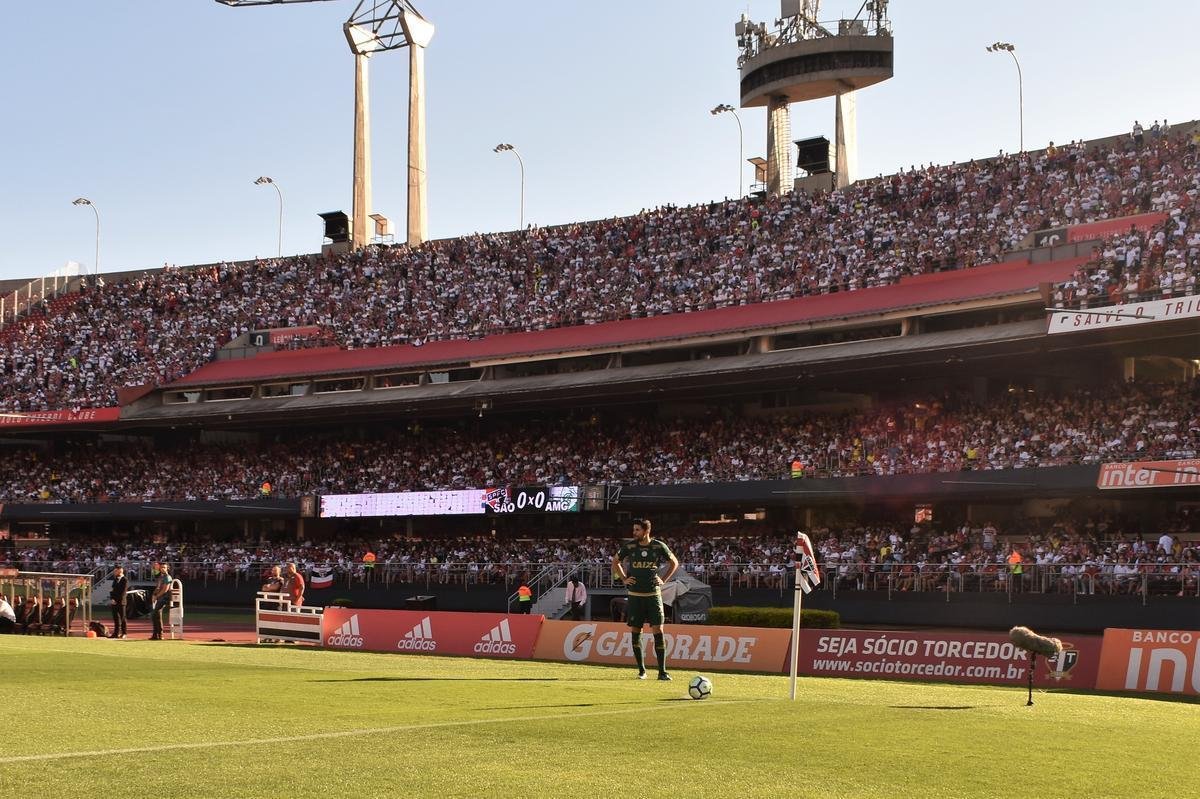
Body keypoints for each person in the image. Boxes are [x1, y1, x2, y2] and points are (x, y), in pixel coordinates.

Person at [611, 518, 679, 681]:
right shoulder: (630, 546)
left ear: (646, 531)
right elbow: (615, 561)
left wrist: (664, 579)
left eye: (637, 530)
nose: (634, 533)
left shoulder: (658, 546)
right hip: (635, 597)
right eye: (634, 530)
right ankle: (641, 671)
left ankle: (662, 672)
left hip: (653, 596)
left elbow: (674, 562)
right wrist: (624, 579)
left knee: (659, 631)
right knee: (636, 632)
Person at [150, 562, 173, 640]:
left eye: (164, 567)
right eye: (162, 567)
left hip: (164, 598)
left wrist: (156, 596)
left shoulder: (167, 577)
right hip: (159, 597)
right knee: (155, 615)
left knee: (156, 614)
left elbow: (165, 589)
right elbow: (158, 587)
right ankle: (156, 634)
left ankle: (159, 634)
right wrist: (154, 594)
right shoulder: (160, 577)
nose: (163, 569)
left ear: (167, 568)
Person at [109, 565, 128, 639]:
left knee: (123, 618)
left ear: (120, 571)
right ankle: (116, 633)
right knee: (116, 618)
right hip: (114, 602)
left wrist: (116, 600)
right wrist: (112, 599)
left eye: (116, 571)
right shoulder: (115, 579)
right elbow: (112, 590)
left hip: (121, 602)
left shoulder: (125, 580)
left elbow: (123, 592)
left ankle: (124, 633)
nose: (114, 572)